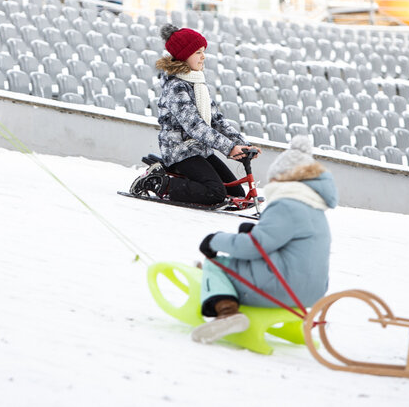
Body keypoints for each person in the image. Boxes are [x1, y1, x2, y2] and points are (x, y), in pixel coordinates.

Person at [191, 134, 337, 344]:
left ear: (285, 178)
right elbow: (286, 241)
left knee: (216, 265)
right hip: (313, 291)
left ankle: (228, 314)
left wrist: (215, 240)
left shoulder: (287, 204)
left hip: (285, 288)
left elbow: (254, 248)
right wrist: (254, 230)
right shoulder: (314, 207)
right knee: (243, 263)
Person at [129, 24, 260, 205]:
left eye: (203, 51)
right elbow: (195, 126)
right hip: (180, 151)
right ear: (184, 55)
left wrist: (241, 144)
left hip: (200, 150)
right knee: (215, 193)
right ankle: (159, 183)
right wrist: (228, 148)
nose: (203, 56)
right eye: (198, 52)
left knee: (236, 192)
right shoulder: (176, 87)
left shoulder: (198, 83)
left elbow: (216, 121)